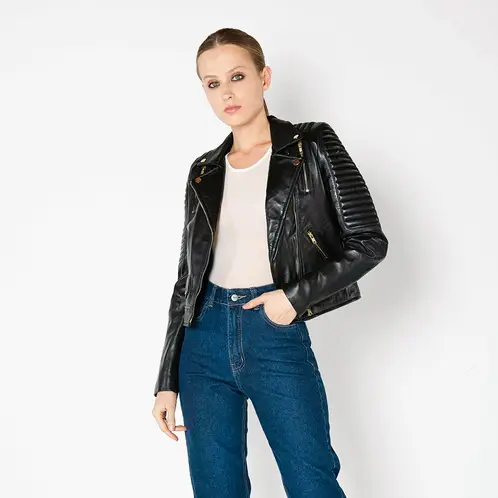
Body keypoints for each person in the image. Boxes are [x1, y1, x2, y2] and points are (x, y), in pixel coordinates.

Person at [152, 27, 388, 498]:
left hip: (272, 331)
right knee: (215, 489)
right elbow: (187, 280)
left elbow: (368, 242)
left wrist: (292, 300)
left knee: (311, 482)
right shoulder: (204, 171)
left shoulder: (312, 145)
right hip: (202, 341)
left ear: (265, 77)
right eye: (212, 83)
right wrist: (166, 379)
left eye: (237, 76)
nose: (226, 92)